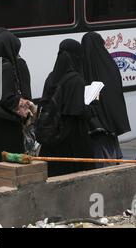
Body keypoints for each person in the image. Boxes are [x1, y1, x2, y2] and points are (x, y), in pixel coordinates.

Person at [0, 29, 33, 187]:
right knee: (10, 161)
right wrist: (28, 110)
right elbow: (16, 96)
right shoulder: (10, 65)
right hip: (10, 124)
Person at [40, 39, 94, 177]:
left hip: (51, 139)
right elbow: (78, 111)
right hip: (72, 141)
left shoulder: (51, 77)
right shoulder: (75, 80)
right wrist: (92, 109)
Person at [81, 32, 131, 167]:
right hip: (111, 124)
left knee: (102, 161)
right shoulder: (110, 65)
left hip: (95, 126)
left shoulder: (84, 67)